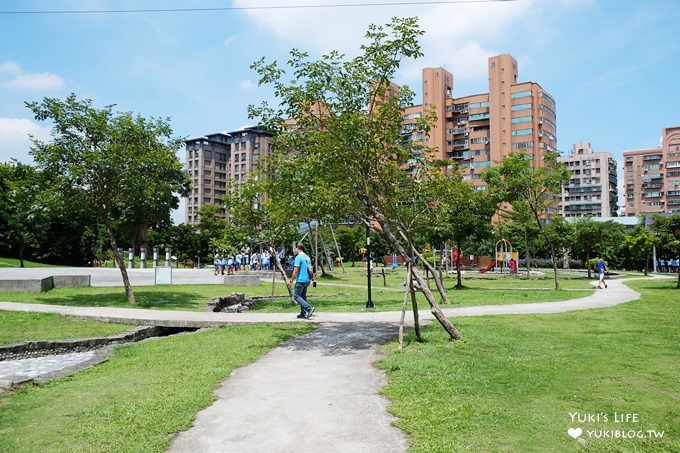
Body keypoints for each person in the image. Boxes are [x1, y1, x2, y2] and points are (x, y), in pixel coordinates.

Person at [288, 243, 315, 319]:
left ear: (298, 249)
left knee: (296, 296)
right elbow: (310, 269)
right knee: (303, 296)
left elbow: (296, 270)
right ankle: (303, 313)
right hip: (307, 280)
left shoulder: (298, 257)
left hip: (301, 280)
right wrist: (313, 279)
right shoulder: (307, 257)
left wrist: (291, 281)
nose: (295, 250)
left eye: (295, 248)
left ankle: (309, 308)